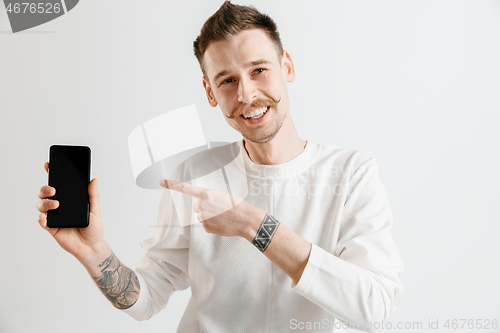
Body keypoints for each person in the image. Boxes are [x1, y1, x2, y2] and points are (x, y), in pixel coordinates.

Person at [36, 2, 404, 332]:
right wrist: (94, 252)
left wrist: (252, 224)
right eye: (227, 80)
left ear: (286, 66)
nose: (246, 94)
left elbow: (374, 308)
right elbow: (146, 299)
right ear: (210, 93)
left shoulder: (351, 173)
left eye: (259, 69)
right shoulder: (192, 177)